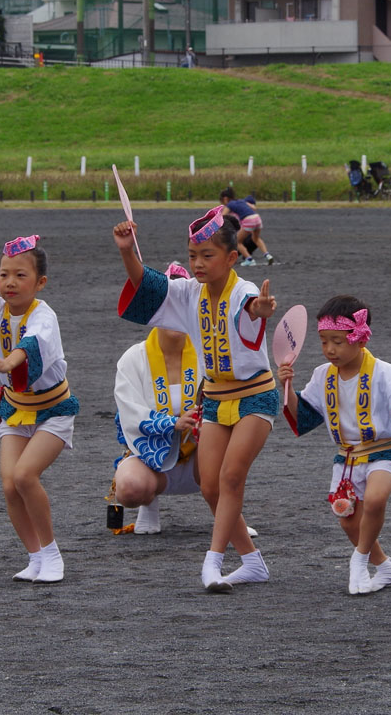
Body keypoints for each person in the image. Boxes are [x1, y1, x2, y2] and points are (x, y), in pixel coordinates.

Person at [113, 207, 277, 592]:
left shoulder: (244, 290)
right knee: (210, 487)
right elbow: (148, 285)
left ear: (232, 257)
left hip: (254, 396)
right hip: (217, 401)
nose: (198, 263)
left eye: (207, 255)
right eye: (192, 256)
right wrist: (126, 251)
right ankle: (252, 562)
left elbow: (249, 308)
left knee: (230, 478)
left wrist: (261, 310)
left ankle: (212, 564)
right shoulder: (188, 294)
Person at [278, 295, 391, 594]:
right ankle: (384, 566)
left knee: (374, 501)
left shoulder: (384, 373)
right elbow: (304, 416)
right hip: (346, 458)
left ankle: (358, 560)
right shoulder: (322, 376)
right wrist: (287, 388)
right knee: (347, 520)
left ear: (359, 339)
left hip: (383, 450)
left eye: (337, 340)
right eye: (323, 341)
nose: (329, 349)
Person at [0, 235, 79, 584]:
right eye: (4, 274)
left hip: (53, 409)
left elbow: (31, 344)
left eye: (21, 275)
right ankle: (35, 556)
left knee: (24, 476)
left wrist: (10, 363)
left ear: (40, 282)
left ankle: (52, 555)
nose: (10, 282)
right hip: (15, 409)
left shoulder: (44, 315)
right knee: (9, 485)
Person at [111, 262, 205, 535]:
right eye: (168, 307)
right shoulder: (133, 358)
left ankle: (231, 518)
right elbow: (129, 414)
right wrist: (172, 423)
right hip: (152, 459)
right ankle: (148, 505)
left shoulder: (204, 352)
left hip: (202, 457)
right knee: (128, 489)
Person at [219, 188, 274, 266]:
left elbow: (222, 216)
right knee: (256, 238)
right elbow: (254, 208)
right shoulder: (242, 201)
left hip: (248, 220)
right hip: (257, 218)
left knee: (237, 241)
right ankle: (268, 255)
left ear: (225, 198)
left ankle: (249, 259)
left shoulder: (230, 204)